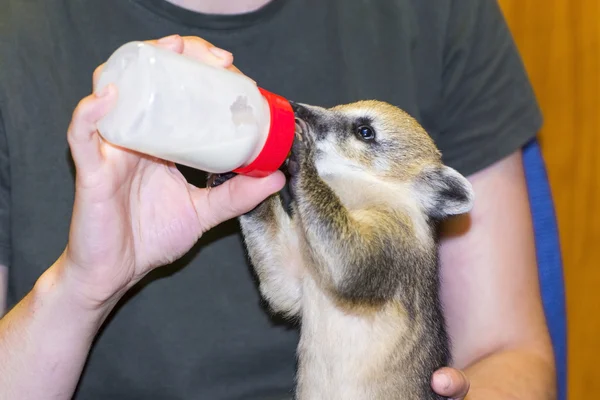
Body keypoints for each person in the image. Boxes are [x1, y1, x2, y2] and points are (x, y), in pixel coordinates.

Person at [0, 0, 556, 399]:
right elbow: (285, 286)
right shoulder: (20, 36)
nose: (321, 125)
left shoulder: (398, 225)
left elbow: (352, 272)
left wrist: (298, 165)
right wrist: (81, 287)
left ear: (428, 187)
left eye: (360, 136)